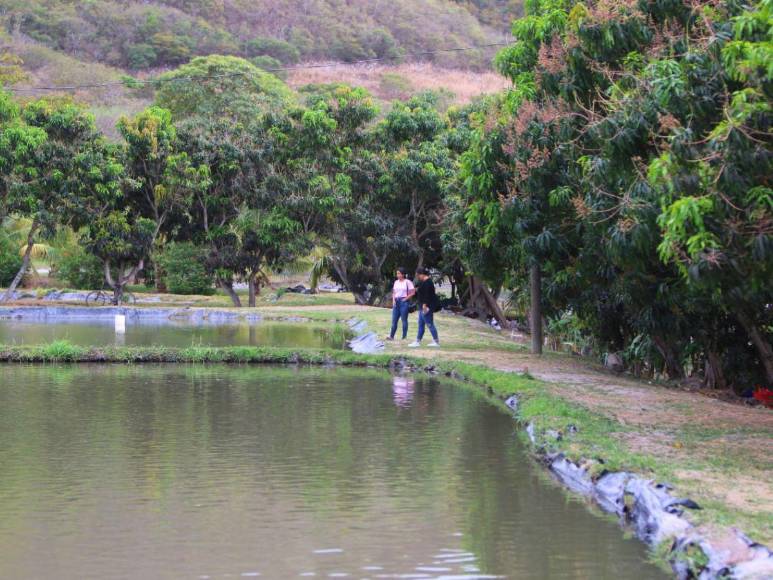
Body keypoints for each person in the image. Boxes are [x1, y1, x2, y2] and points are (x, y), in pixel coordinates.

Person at [409, 267, 439, 348]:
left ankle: (436, 341)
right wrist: (416, 289)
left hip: (426, 306)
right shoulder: (423, 282)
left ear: (422, 274)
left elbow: (427, 295)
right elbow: (420, 290)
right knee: (421, 324)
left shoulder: (428, 282)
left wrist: (425, 305)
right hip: (421, 305)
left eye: (418, 275)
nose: (418, 277)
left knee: (429, 324)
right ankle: (417, 341)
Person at [386, 267, 415, 341]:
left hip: (403, 302)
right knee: (394, 320)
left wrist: (405, 299)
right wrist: (393, 300)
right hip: (396, 302)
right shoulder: (396, 282)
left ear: (403, 274)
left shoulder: (407, 282)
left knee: (404, 320)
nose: (397, 275)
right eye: (397, 273)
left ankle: (404, 337)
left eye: (399, 273)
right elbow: (394, 292)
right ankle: (391, 336)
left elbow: (413, 292)